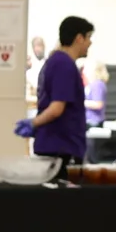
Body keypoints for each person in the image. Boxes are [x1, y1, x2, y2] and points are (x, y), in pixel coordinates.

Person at [26, 17, 91, 165]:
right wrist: (33, 123)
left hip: (56, 144)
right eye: (88, 37)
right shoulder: (64, 64)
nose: (90, 43)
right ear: (79, 38)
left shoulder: (56, 62)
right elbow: (57, 108)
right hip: (62, 147)